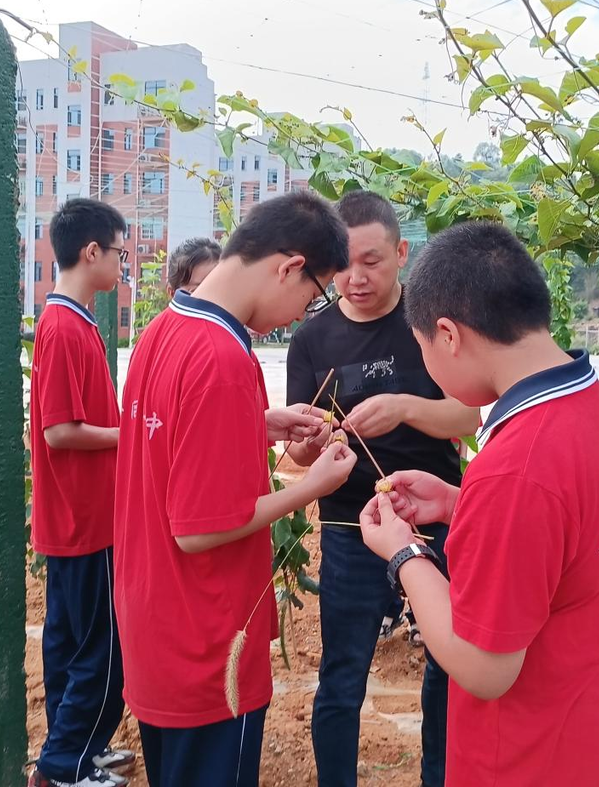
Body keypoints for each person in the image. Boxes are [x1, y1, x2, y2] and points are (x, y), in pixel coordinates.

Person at [359, 222, 599, 787]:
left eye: (423, 348)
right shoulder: (592, 403)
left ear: (447, 334)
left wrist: (403, 554)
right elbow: (565, 542)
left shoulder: (517, 468)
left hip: (535, 757)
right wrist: (460, 502)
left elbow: (485, 666)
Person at [114, 192, 357, 787]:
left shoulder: (164, 330)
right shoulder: (223, 356)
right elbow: (201, 529)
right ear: (288, 267)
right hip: (209, 637)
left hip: (157, 626)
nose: (305, 313)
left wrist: (258, 423)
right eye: (313, 294)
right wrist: (313, 486)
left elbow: (170, 446)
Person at [285, 190, 479, 787]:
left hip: (438, 517)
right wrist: (314, 442)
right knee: (343, 673)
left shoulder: (432, 326)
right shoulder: (312, 340)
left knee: (447, 666)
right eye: (342, 264)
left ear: (401, 252)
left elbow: (469, 418)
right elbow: (295, 451)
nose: (354, 277)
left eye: (371, 260)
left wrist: (404, 408)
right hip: (351, 526)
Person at [28, 198, 134, 787]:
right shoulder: (65, 327)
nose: (124, 263)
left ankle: (74, 751)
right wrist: (134, 436)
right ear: (91, 252)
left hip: (77, 518)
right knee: (102, 653)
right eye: (120, 251)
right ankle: (63, 767)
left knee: (72, 646)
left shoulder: (72, 322)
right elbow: (60, 431)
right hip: (84, 521)